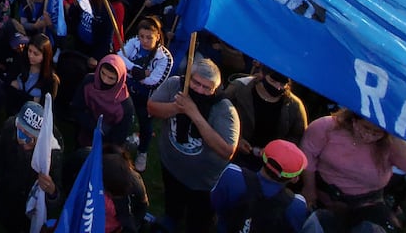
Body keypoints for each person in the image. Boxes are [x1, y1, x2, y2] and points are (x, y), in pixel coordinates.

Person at [147, 57, 239, 233]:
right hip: (171, 165)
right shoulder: (175, 85)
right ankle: (171, 219)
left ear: (215, 89)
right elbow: (152, 108)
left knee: (198, 219)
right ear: (188, 77)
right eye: (196, 83)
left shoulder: (224, 110)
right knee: (173, 202)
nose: (200, 90)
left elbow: (226, 151)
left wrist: (194, 113)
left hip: (203, 182)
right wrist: (177, 108)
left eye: (207, 88)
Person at [301, 109, 406, 229]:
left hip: (366, 204)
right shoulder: (326, 126)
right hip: (322, 193)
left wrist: (393, 135)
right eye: (365, 128)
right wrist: (309, 189)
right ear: (354, 119)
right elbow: (308, 156)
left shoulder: (390, 144)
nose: (368, 135)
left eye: (376, 132)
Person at [0, 100, 63, 232]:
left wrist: (52, 191)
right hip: (6, 194)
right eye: (20, 132)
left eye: (29, 137)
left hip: (27, 205)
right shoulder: (9, 127)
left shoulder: (53, 153)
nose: (21, 139)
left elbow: (57, 197)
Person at [211, 139, 309, 233]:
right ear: (294, 179)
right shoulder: (297, 204)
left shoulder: (233, 174)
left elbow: (216, 205)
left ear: (262, 155)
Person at [117, 16, 174, 172]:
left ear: (158, 36)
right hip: (127, 89)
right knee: (122, 114)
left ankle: (142, 151)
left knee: (145, 124)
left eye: (149, 37)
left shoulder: (165, 58)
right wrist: (139, 72)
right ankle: (120, 141)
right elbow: (119, 57)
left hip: (146, 97)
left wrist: (130, 70)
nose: (144, 40)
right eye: (142, 36)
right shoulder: (133, 41)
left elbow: (154, 81)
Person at [224, 65, 307, 172]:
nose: (277, 87)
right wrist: (236, 139)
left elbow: (297, 136)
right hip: (232, 153)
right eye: (273, 81)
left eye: (283, 84)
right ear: (262, 75)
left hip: (270, 165)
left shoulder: (294, 105)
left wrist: (276, 151)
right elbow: (222, 114)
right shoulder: (239, 89)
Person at [71, 53, 134, 148]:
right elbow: (76, 106)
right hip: (84, 129)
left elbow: (119, 137)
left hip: (105, 142)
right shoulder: (89, 82)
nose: (104, 80)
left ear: (120, 79)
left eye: (111, 78)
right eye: (103, 73)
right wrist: (91, 125)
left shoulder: (125, 106)